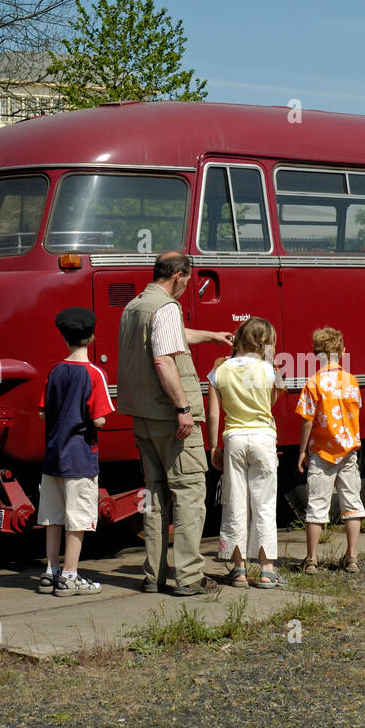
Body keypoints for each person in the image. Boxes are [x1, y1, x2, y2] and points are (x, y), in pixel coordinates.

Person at [117, 251, 233, 596]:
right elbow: (163, 359)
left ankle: (153, 575)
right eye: (188, 280)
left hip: (143, 416)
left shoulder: (135, 307)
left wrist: (211, 335)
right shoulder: (166, 307)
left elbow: (171, 336)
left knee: (153, 496)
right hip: (171, 417)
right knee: (189, 493)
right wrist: (183, 407)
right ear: (179, 276)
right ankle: (189, 576)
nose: (187, 287)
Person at [37, 307, 115, 596]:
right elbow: (99, 418)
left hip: (53, 457)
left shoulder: (55, 372)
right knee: (78, 518)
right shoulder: (94, 374)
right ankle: (70, 575)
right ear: (92, 337)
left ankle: (50, 570)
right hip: (80, 457)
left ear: (64, 338)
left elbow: (43, 414)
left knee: (53, 517)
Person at [206, 317, 283, 589]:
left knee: (234, 502)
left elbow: (214, 412)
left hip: (234, 439)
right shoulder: (269, 370)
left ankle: (238, 569)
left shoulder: (220, 370)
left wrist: (214, 446)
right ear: (266, 342)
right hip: (263, 438)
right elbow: (273, 400)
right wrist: (270, 359)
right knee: (263, 503)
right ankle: (266, 570)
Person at [295, 326, 365, 574]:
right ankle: (352, 557)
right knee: (352, 504)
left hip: (321, 453)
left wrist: (302, 451)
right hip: (348, 452)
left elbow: (306, 420)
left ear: (316, 354)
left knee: (316, 505)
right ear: (342, 351)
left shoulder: (313, 382)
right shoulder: (352, 381)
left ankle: (312, 559)